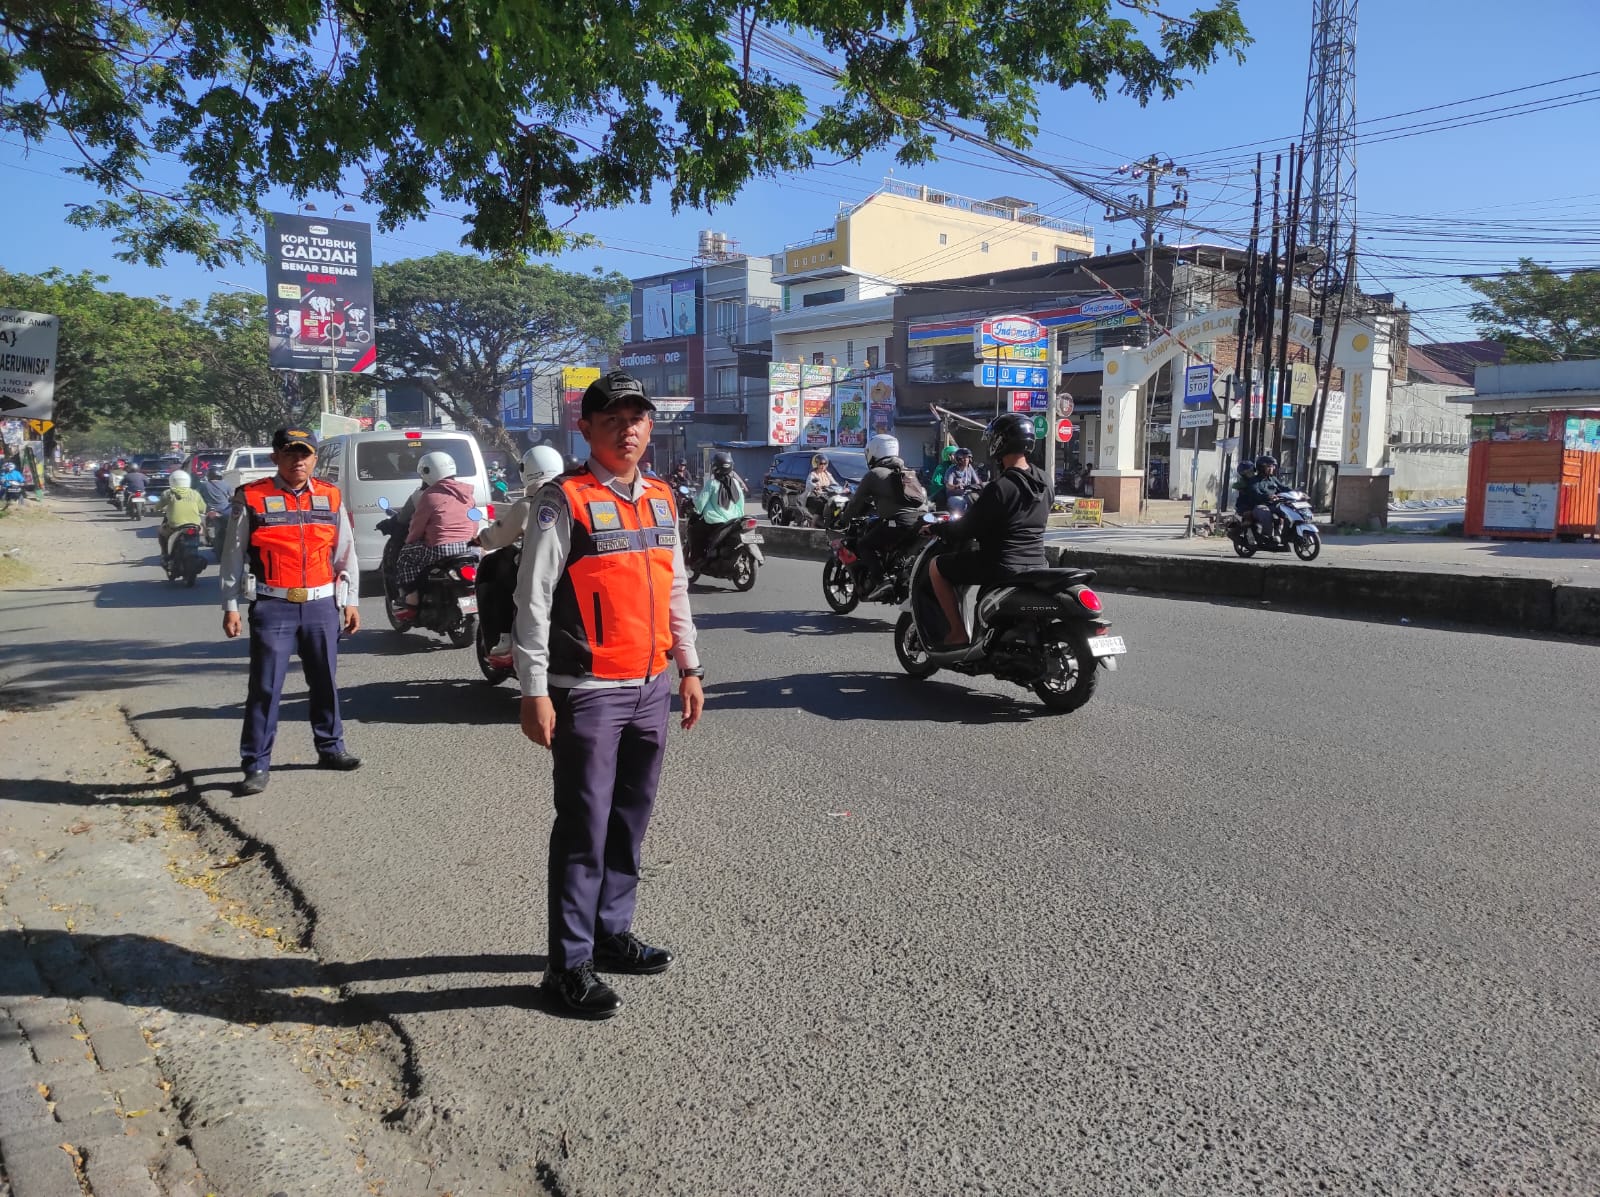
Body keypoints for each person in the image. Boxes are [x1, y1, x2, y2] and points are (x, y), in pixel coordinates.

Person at [512, 369, 704, 1019]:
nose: (628, 430)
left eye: (637, 418)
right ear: (587, 428)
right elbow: (533, 599)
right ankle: (566, 966)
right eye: (614, 419)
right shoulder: (563, 499)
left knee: (629, 819)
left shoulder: (661, 497)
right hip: (588, 690)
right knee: (583, 826)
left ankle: (611, 933)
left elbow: (674, 586)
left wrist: (690, 666)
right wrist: (533, 689)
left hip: (651, 685)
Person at [219, 427, 361, 796]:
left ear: (315, 458)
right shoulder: (251, 496)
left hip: (321, 605)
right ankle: (256, 763)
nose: (298, 460)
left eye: (305, 453)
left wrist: (352, 600)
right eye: (290, 453)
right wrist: (230, 605)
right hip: (273, 605)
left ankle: (331, 748)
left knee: (325, 681)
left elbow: (345, 552)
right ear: (275, 457)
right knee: (266, 687)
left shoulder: (330, 495)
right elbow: (233, 554)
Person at [926, 413, 1051, 649]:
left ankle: (957, 633)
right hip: (1038, 563)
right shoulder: (1046, 481)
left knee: (936, 567)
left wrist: (936, 528)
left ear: (999, 443)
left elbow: (965, 528)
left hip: (1001, 564)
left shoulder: (1000, 487)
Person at [477, 444, 566, 663]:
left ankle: (505, 637)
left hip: (538, 572)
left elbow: (500, 536)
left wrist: (483, 539)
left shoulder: (528, 505)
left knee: (499, 578)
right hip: (571, 568)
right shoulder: (572, 499)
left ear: (528, 471)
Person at [837, 433, 930, 598]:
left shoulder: (874, 474)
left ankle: (881, 581)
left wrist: (843, 520)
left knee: (864, 544)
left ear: (874, 452)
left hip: (899, 522)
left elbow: (856, 502)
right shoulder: (908, 471)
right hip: (921, 519)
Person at [392, 451, 480, 620]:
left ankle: (412, 598)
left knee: (405, 557)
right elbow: (474, 521)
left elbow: (417, 526)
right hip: (468, 546)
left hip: (441, 549)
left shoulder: (430, 495)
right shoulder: (467, 492)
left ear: (427, 472)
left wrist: (410, 542)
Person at [690, 451, 747, 564]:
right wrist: (740, 516)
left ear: (715, 467)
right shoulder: (735, 483)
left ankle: (697, 559)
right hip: (734, 521)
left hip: (716, 521)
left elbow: (701, 502)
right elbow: (741, 502)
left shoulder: (712, 483)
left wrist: (696, 510)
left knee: (695, 531)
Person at [157, 469, 207, 565]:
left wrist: (157, 508)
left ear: (172, 481)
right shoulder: (195, 493)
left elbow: (158, 506)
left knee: (161, 531)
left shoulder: (168, 493)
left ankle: (164, 553)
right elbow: (202, 509)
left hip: (175, 525)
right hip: (194, 525)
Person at [942, 447, 981, 512]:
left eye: (967, 457)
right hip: (954, 496)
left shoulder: (970, 468)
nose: (966, 459)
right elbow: (948, 485)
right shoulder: (951, 470)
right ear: (958, 459)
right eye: (963, 458)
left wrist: (979, 486)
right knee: (962, 504)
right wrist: (956, 486)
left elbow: (977, 482)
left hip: (967, 495)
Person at [801, 453, 836, 522]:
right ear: (816, 464)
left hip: (825, 496)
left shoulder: (827, 474)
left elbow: (834, 483)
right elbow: (809, 483)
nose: (823, 465)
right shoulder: (812, 474)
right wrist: (815, 486)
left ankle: (831, 522)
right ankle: (813, 524)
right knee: (821, 504)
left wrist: (842, 488)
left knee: (834, 503)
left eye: (824, 463)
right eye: (821, 463)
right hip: (813, 496)